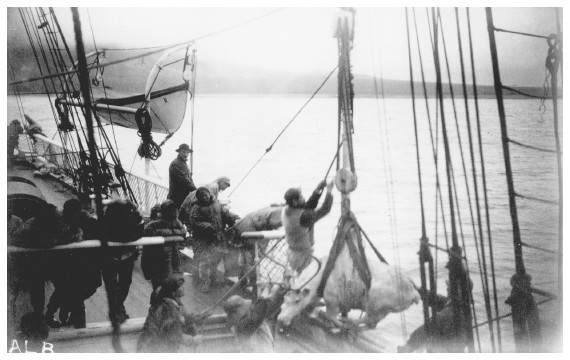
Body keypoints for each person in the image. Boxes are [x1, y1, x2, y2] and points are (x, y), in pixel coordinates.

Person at [137, 275, 207, 353]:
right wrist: (193, 340)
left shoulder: (171, 304)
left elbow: (183, 317)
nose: (183, 287)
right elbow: (174, 335)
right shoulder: (166, 308)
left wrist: (198, 317)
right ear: (173, 293)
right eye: (180, 286)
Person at [101, 199, 144, 326]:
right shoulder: (107, 222)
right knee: (112, 284)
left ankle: (117, 307)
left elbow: (137, 234)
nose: (131, 213)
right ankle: (118, 309)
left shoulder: (135, 220)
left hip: (126, 256)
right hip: (110, 257)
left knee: (125, 284)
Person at [190, 186, 239, 293]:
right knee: (205, 262)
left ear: (209, 195)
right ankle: (204, 282)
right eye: (201, 196)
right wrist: (206, 225)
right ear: (198, 198)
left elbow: (226, 213)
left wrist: (234, 218)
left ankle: (212, 279)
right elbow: (194, 221)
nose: (204, 198)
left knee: (215, 259)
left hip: (218, 238)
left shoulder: (217, 204)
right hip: (204, 240)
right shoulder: (196, 208)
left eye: (206, 195)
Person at [282, 180, 334, 274]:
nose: (303, 198)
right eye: (301, 197)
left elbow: (307, 207)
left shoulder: (287, 210)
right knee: (308, 280)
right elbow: (325, 210)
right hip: (302, 257)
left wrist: (318, 190)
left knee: (303, 277)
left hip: (292, 253)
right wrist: (329, 192)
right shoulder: (302, 217)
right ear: (294, 202)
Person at [223, 283, 286, 353]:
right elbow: (256, 315)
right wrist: (263, 297)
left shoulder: (246, 319)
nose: (249, 308)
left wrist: (281, 293)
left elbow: (265, 310)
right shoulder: (242, 326)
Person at [141, 200, 187, 292]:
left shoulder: (176, 222)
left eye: (176, 211)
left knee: (171, 287)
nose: (175, 214)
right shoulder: (155, 225)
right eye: (172, 212)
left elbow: (183, 233)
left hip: (172, 259)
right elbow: (147, 250)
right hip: (158, 261)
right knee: (159, 288)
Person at [167, 143, 197, 208]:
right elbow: (185, 180)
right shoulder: (176, 164)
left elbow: (188, 179)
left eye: (187, 152)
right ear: (179, 152)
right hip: (176, 197)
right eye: (183, 152)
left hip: (183, 196)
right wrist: (196, 191)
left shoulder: (183, 163)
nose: (186, 154)